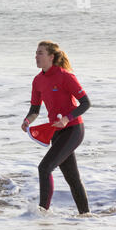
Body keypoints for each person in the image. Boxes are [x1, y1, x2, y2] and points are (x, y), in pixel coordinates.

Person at [21, 40, 91, 214]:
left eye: (40, 53)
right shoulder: (37, 81)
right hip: (56, 132)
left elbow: (85, 103)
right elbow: (35, 109)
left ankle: (42, 212)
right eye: (36, 53)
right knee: (72, 178)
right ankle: (86, 215)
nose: (36, 56)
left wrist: (67, 119)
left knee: (44, 167)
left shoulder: (65, 76)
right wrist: (27, 121)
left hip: (73, 129)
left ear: (51, 57)